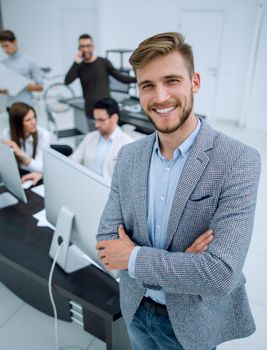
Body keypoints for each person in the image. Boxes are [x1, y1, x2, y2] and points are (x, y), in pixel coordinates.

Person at [96, 32, 261, 350]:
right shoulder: (129, 156)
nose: (160, 97)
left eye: (172, 80)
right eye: (147, 85)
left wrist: (133, 257)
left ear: (195, 82)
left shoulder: (238, 160)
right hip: (136, 308)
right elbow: (106, 244)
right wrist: (183, 265)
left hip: (191, 320)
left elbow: (220, 274)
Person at [64, 34, 136, 118]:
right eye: (82, 46)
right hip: (90, 111)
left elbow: (121, 78)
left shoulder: (103, 62)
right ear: (79, 48)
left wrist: (140, 78)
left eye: (88, 46)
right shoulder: (79, 66)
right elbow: (67, 81)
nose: (85, 49)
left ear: (93, 47)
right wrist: (76, 63)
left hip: (106, 110)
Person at [70, 97, 133, 180]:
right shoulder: (90, 137)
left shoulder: (128, 144)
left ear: (114, 118)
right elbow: (73, 161)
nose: (96, 125)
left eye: (101, 120)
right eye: (95, 120)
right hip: (86, 186)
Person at [1, 102, 50, 173]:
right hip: (16, 173)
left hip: (32, 174)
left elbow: (41, 167)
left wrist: (19, 153)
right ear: (17, 124)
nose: (34, 122)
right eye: (28, 120)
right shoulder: (7, 133)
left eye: (34, 117)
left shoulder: (44, 135)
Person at [0, 30, 43, 106]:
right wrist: (1, 90)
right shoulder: (3, 64)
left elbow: (40, 87)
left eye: (6, 45)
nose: (5, 50)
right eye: (2, 47)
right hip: (10, 107)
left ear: (14, 42)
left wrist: (26, 86)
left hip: (26, 106)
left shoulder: (29, 61)